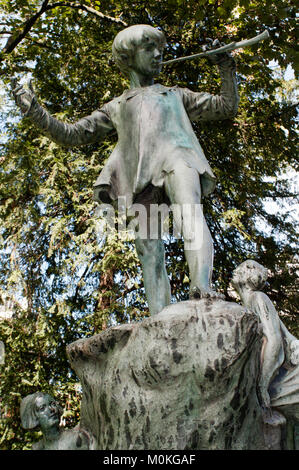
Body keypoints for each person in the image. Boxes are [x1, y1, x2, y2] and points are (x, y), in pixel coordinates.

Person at [13, 24, 239, 315]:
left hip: (179, 159)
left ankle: (202, 290)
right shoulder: (116, 106)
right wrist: (37, 113)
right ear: (128, 58)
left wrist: (225, 66)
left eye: (160, 48)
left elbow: (226, 106)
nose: (158, 54)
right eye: (149, 48)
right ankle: (159, 315)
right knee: (148, 247)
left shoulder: (175, 95)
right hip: (138, 176)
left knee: (190, 214)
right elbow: (73, 134)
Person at [232, 259, 299, 428]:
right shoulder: (249, 302)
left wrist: (262, 385)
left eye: (245, 266)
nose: (237, 269)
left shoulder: (258, 298)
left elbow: (274, 340)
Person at [20, 392, 91, 450]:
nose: (52, 409)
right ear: (34, 417)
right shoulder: (37, 448)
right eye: (42, 408)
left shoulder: (76, 439)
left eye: (53, 404)